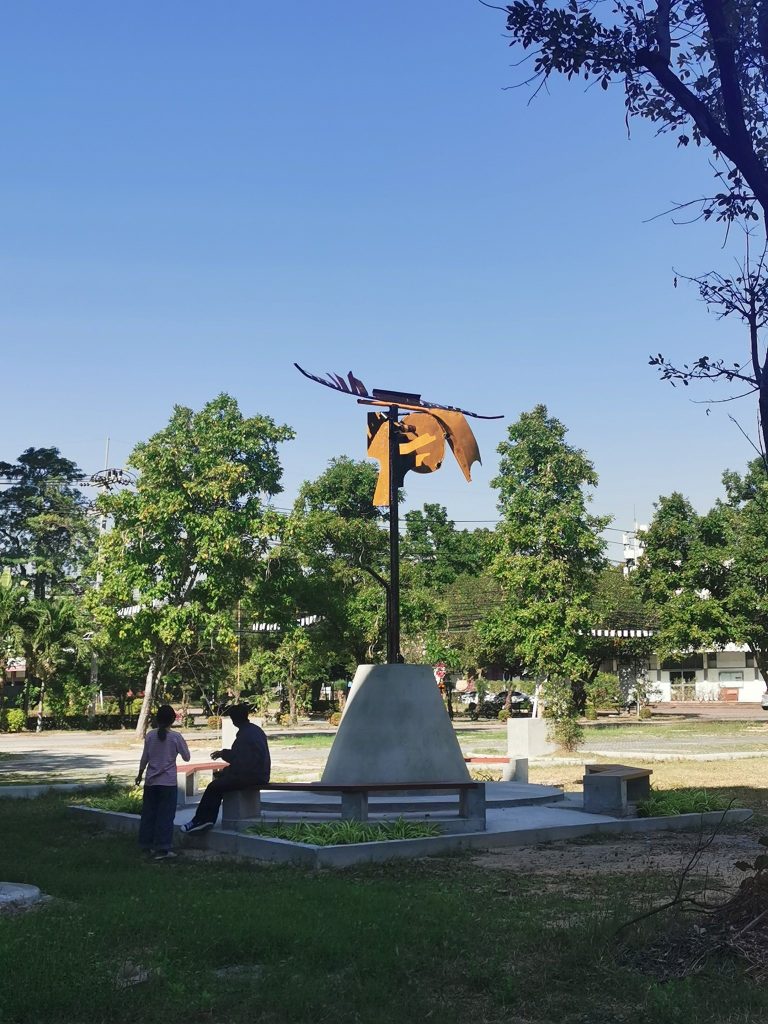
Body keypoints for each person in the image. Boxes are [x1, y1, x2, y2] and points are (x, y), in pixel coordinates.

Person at [180, 703, 270, 834]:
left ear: (235, 720)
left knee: (214, 787)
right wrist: (224, 756)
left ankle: (202, 820)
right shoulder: (255, 730)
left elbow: (241, 761)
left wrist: (226, 767)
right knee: (220, 781)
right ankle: (206, 819)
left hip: (253, 776)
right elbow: (243, 758)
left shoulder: (245, 735)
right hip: (260, 773)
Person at [135, 704, 191, 860]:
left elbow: (145, 758)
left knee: (149, 815)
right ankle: (162, 849)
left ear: (157, 719)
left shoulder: (150, 736)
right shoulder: (176, 737)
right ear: (173, 720)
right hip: (168, 783)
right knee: (165, 816)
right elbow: (187, 757)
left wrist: (139, 774)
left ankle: (146, 845)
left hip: (151, 782)